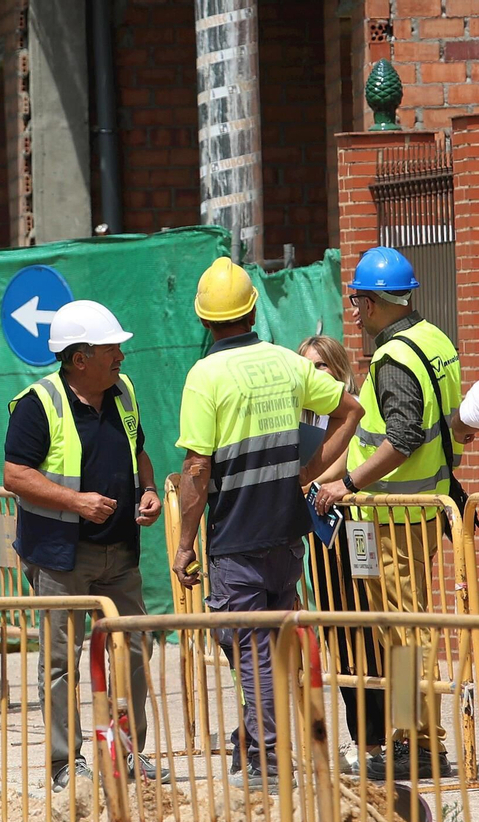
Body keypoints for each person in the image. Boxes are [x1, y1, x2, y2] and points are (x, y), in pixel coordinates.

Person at [173, 258, 363, 792]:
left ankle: (267, 763)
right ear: (253, 309)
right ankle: (258, 747)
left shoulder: (204, 375)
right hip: (285, 534)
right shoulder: (287, 363)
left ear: (205, 321)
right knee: (266, 646)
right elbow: (351, 409)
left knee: (249, 646)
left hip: (235, 537)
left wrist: (186, 543)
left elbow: (196, 468)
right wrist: (307, 470)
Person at [2, 299, 165, 792]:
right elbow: (15, 475)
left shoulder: (123, 392)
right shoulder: (37, 404)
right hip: (61, 556)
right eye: (111, 348)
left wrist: (150, 489)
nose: (120, 356)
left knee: (136, 648)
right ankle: (63, 763)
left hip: (120, 552)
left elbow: (140, 453)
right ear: (80, 359)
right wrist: (77, 502)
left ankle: (129, 752)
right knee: (59, 663)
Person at [314, 246, 461, 781]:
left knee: (403, 633)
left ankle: (418, 742)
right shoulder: (435, 339)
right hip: (417, 511)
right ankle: (414, 737)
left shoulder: (393, 357)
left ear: (373, 302)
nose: (353, 310)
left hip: (394, 518)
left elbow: (399, 438)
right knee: (406, 627)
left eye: (356, 300)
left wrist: (347, 484)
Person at [298, 335, 383, 775]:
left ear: (340, 371)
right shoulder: (301, 418)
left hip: (361, 529)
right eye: (305, 368)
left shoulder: (349, 410)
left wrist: (311, 483)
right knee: (341, 637)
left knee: (380, 638)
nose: (313, 376)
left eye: (321, 368)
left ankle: (399, 736)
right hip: (322, 538)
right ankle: (364, 742)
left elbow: (349, 457)